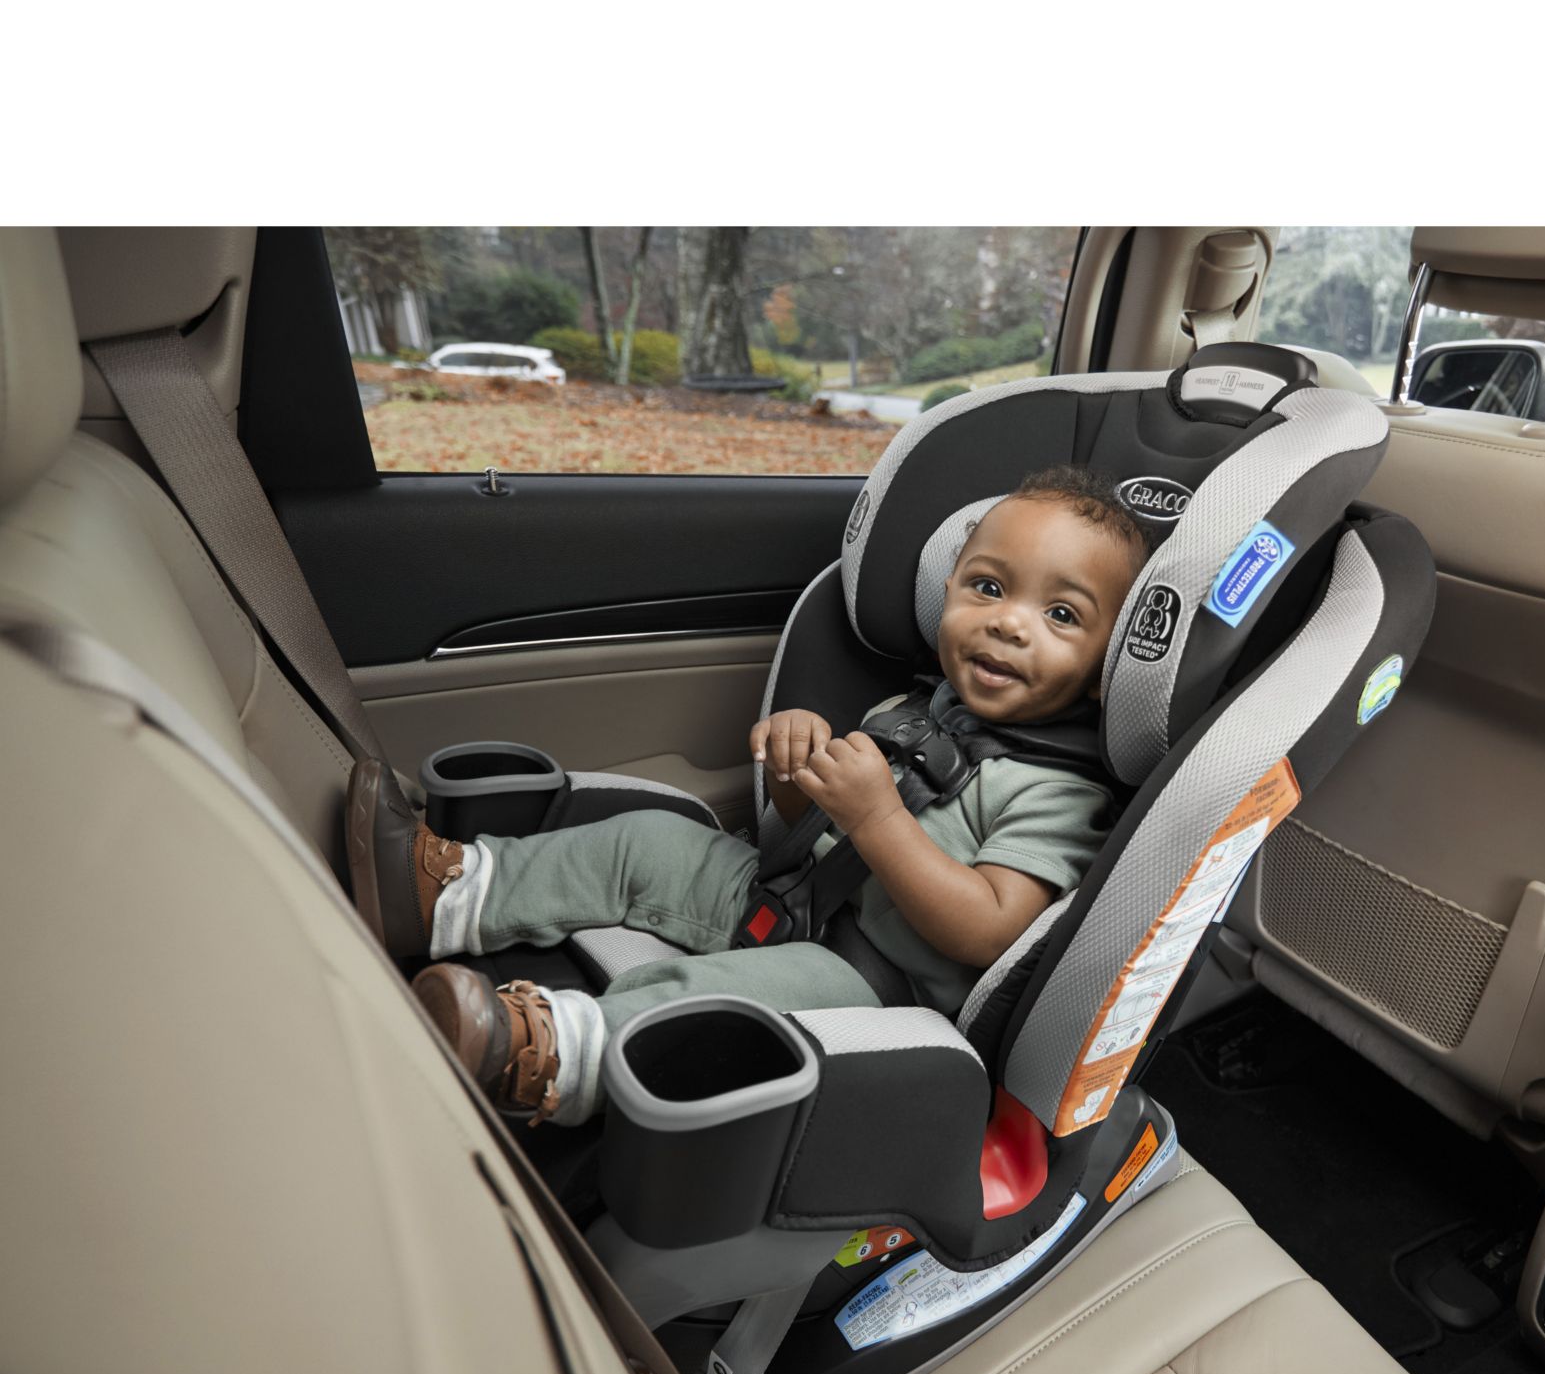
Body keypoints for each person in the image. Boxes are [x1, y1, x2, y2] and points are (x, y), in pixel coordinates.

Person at [347, 465, 1149, 1123]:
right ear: (947, 592)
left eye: (1060, 613)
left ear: (1105, 666)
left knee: (710, 996)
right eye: (987, 587)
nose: (1009, 623)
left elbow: (989, 930)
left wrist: (877, 816)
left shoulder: (1058, 792)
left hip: (870, 980)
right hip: (787, 895)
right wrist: (795, 774)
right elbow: (807, 832)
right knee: (646, 841)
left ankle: (546, 1053)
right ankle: (446, 893)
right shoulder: (912, 710)